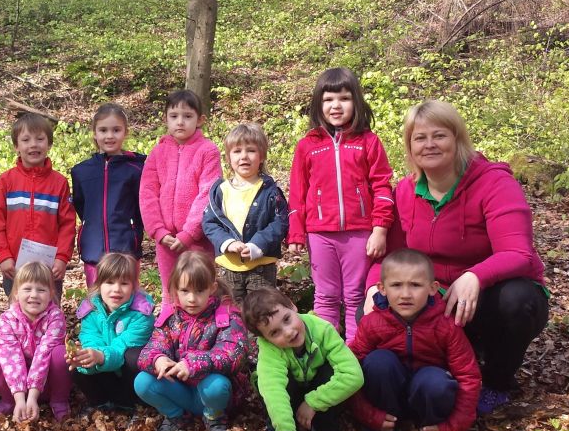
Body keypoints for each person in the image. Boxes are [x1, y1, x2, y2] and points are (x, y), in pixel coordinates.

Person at [363, 100, 548, 415]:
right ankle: (420, 379)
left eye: (439, 135)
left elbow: (518, 253)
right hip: (434, 296)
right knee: (370, 311)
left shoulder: (494, 183)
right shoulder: (406, 191)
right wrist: (372, 287)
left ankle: (497, 382)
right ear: (410, 147)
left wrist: (475, 275)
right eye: (420, 138)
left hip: (487, 297)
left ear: (458, 139)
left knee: (518, 301)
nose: (430, 144)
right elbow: (391, 255)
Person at [287, 68, 394, 342]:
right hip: (320, 234)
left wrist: (380, 229)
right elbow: (298, 193)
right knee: (325, 295)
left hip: (360, 233)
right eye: (328, 99)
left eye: (344, 98)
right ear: (318, 104)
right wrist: (296, 233)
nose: (336, 106)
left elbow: (382, 186)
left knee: (356, 294)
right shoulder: (307, 146)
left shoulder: (368, 142)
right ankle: (327, 351)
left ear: (356, 101)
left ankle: (356, 351)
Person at [350, 249, 481, 431]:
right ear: (382, 289)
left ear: (432, 288)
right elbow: (349, 368)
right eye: (396, 285)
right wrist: (369, 415)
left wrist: (455, 426)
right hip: (388, 400)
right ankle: (384, 424)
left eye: (415, 285)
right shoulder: (372, 323)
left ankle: (434, 425)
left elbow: (468, 376)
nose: (405, 294)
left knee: (434, 380)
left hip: (427, 398)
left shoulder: (446, 325)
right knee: (378, 362)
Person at [134, 252, 255, 431]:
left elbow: (233, 355)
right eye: (185, 291)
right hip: (181, 391)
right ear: (175, 289)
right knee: (142, 382)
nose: (192, 298)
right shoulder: (171, 317)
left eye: (199, 291)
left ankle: (215, 417)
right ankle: (177, 416)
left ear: (212, 288)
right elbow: (151, 348)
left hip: (214, 395)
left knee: (216, 385)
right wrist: (158, 359)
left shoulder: (226, 317)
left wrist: (192, 364)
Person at [241, 288, 363, 431]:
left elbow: (353, 375)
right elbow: (274, 389)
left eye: (287, 319)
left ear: (292, 306)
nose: (288, 332)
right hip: (290, 392)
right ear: (265, 338)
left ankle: (324, 426)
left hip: (317, 388)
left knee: (330, 370)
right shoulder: (270, 349)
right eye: (275, 332)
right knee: (265, 380)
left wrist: (313, 402)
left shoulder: (322, 329)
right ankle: (276, 427)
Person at [139, 89, 223, 299]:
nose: (180, 122)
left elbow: (208, 194)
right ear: (165, 118)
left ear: (200, 120)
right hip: (166, 240)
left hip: (198, 239)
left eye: (187, 116)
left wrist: (189, 233)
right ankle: (170, 322)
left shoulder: (208, 151)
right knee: (171, 292)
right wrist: (158, 231)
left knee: (199, 290)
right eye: (174, 116)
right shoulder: (157, 153)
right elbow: (147, 194)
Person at [0, 112, 77, 299]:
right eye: (26, 140)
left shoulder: (59, 183)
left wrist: (62, 258)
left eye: (40, 139)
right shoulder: (7, 180)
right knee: (17, 311)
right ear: (16, 146)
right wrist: (4, 256)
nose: (33, 144)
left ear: (49, 144)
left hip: (49, 268)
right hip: (14, 265)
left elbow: (67, 225)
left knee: (49, 310)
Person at [202, 122, 289, 304]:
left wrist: (258, 244)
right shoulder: (220, 190)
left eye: (251, 150)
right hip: (229, 267)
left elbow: (279, 222)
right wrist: (227, 243)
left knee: (263, 311)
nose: (244, 156)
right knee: (231, 312)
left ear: (262, 156)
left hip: (262, 267)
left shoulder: (270, 191)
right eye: (237, 151)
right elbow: (210, 222)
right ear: (228, 158)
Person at [70, 103, 147, 286]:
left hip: (126, 250)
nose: (109, 136)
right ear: (94, 133)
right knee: (96, 297)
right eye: (103, 130)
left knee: (126, 296)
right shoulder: (81, 171)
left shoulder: (137, 169)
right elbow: (81, 206)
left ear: (125, 132)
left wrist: (133, 232)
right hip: (93, 251)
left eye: (116, 130)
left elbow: (142, 207)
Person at [0, 262, 72, 423]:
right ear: (16, 294)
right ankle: (9, 401)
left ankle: (59, 400)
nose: (34, 295)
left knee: (61, 354)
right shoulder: (7, 319)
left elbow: (44, 353)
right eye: (27, 289)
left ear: (51, 293)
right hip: (17, 385)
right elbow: (10, 356)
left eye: (41, 290)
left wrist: (32, 396)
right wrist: (20, 399)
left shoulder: (55, 317)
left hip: (47, 383)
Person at [70, 253, 155, 413]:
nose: (116, 289)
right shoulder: (90, 311)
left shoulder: (141, 314)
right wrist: (88, 357)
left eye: (124, 283)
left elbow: (121, 348)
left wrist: (101, 356)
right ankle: (101, 402)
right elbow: (91, 340)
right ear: (99, 285)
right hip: (106, 371)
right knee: (78, 361)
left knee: (133, 357)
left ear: (133, 286)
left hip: (128, 376)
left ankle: (133, 403)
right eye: (109, 282)